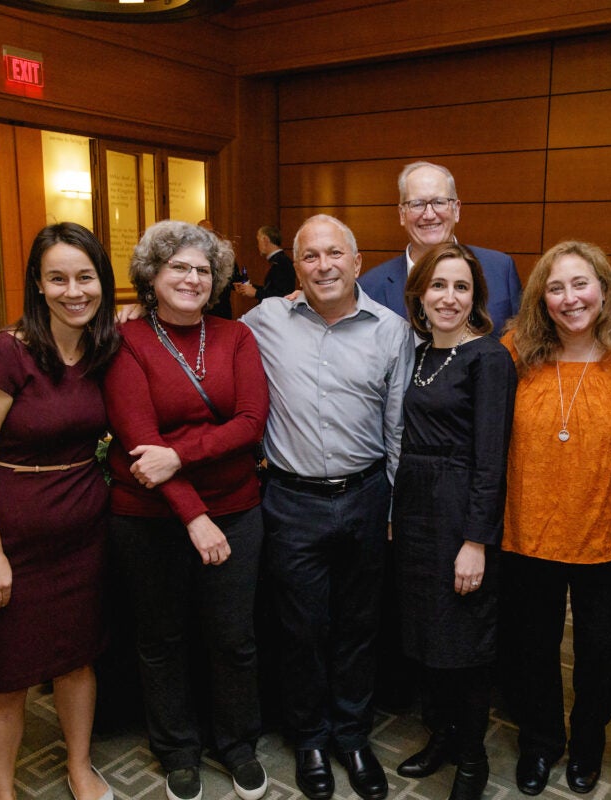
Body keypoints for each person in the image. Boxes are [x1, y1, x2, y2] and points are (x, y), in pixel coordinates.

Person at [240, 215, 414, 800]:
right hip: (291, 500)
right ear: (297, 267)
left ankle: (353, 735)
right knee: (301, 627)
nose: (323, 266)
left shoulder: (393, 331)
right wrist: (137, 313)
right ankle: (310, 737)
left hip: (366, 495)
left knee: (361, 625)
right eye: (310, 257)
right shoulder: (265, 320)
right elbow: (202, 339)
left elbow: (396, 428)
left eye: (334, 254)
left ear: (357, 262)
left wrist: (390, 503)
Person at [102, 220, 270, 800]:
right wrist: (194, 514)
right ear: (151, 274)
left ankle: (237, 742)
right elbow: (137, 443)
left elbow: (251, 423)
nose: (192, 278)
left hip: (238, 511)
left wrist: (181, 454)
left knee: (233, 638)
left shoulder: (236, 337)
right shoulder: (125, 340)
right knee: (162, 638)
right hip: (149, 518)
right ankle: (176, 748)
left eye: (203, 269)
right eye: (179, 266)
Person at [500, 241, 611, 796]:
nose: (570, 298)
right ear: (541, 299)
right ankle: (541, 742)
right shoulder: (515, 352)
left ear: (604, 291)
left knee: (605, 654)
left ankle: (588, 740)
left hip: (606, 534)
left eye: (581, 284)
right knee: (529, 649)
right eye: (555, 288)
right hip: (526, 529)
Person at [0, 223, 119, 800]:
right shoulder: (6, 352)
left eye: (85, 277)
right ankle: (1, 787)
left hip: (84, 532)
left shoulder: (103, 349)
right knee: (7, 676)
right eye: (58, 278)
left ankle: (79, 765)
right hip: (12, 538)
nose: (74, 291)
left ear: (102, 282)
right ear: (37, 285)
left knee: (77, 658)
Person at [392, 242, 516, 800]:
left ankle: (472, 760)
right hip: (417, 510)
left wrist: (476, 542)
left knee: (463, 642)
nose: (449, 297)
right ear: (419, 293)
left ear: (476, 297)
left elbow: (492, 460)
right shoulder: (419, 354)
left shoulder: (488, 358)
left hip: (460, 513)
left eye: (461, 287)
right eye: (438, 285)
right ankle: (441, 736)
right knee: (426, 636)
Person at [358, 161, 521, 337]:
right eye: (417, 204)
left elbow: (521, 345)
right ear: (402, 214)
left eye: (439, 202)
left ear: (456, 210)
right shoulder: (370, 288)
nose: (429, 215)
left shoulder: (501, 270)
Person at [234, 225, 296, 302]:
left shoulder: (281, 262)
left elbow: (283, 295)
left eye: (258, 241)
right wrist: (249, 287)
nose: (258, 246)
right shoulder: (280, 260)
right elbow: (272, 289)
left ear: (265, 240)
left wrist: (256, 293)